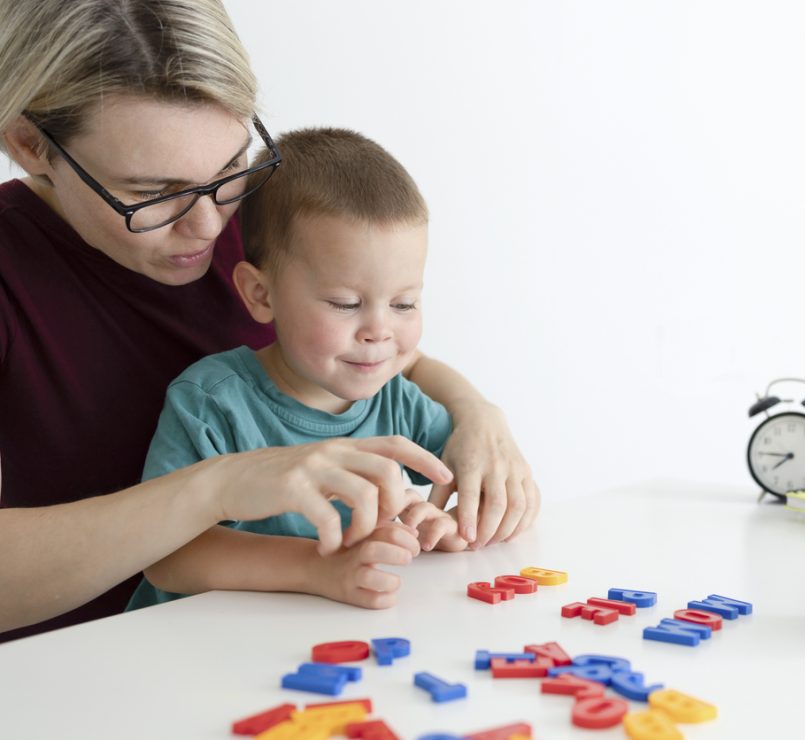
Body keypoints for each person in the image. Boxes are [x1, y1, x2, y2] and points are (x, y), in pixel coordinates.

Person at [0, 0, 539, 641]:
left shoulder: (260, 216)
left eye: (230, 168)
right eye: (151, 193)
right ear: (31, 144)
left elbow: (381, 356)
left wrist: (478, 416)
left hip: (282, 649)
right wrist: (218, 489)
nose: (207, 228)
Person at [128, 128, 469, 611]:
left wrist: (441, 522)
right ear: (261, 295)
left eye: (404, 303)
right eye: (345, 303)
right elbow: (167, 558)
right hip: (195, 654)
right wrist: (316, 568)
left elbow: (468, 475)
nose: (379, 330)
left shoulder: (399, 400)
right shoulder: (212, 401)